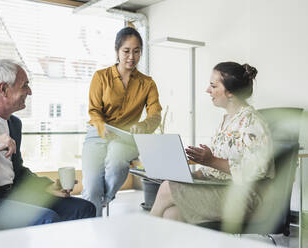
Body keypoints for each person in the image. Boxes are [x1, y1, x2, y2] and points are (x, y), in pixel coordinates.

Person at [0, 59, 96, 233]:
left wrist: (47, 187)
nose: (30, 91)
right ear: (3, 89)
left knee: (85, 208)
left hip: (13, 194)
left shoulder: (14, 124)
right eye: (24, 85)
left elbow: (17, 171)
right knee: (48, 219)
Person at [150, 62, 275, 224]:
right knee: (172, 214)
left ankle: (140, 239)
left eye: (213, 86)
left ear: (229, 92)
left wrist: (212, 160)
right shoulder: (227, 121)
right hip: (221, 188)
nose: (207, 90)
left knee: (168, 188)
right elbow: (215, 169)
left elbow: (256, 170)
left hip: (247, 197)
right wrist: (192, 176)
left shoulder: (252, 122)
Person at [82, 27, 162, 216]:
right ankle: (94, 221)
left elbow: (155, 115)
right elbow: (93, 110)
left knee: (117, 161)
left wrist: (142, 126)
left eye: (136, 51)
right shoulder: (101, 77)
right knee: (92, 186)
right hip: (97, 133)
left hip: (126, 138)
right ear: (117, 51)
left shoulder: (147, 83)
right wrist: (102, 127)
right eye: (126, 51)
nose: (131, 57)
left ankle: (104, 199)